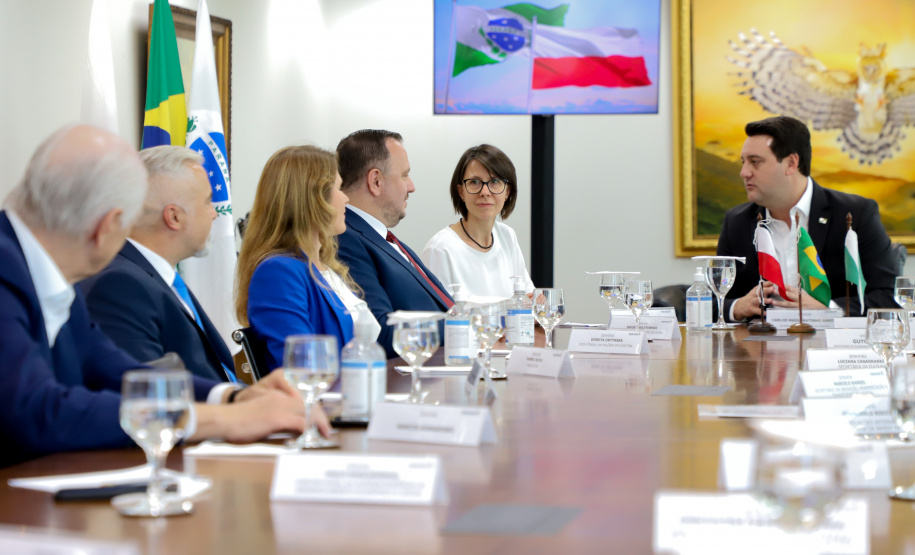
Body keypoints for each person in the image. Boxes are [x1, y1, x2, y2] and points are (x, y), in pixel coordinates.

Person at [0, 124, 326, 467]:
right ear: (107, 226)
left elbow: (120, 373)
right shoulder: (8, 270)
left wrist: (232, 398)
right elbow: (35, 409)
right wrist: (224, 421)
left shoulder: (50, 270)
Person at [717, 115, 898, 321]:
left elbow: (888, 296)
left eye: (755, 162)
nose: (744, 172)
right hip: (758, 348)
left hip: (833, 347)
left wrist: (829, 310)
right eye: (743, 162)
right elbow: (714, 298)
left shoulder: (854, 215)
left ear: (791, 163)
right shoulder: (737, 221)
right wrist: (736, 307)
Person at [80, 146, 234, 384]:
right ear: (174, 217)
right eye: (207, 202)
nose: (214, 214)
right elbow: (147, 395)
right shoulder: (120, 286)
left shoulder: (156, 276)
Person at [236, 145, 380, 370]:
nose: (346, 200)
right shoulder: (278, 272)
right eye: (339, 189)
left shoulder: (325, 267)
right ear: (312, 199)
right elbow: (304, 368)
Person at [336, 130, 453, 357]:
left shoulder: (379, 236)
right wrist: (469, 326)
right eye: (404, 175)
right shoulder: (346, 240)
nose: (411, 186)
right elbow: (380, 333)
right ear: (376, 181)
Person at [420, 144, 534, 300]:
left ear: (507, 191)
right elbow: (441, 318)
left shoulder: (507, 236)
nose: (485, 192)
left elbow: (530, 299)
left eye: (494, 181)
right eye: (474, 182)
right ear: (461, 192)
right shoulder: (440, 249)